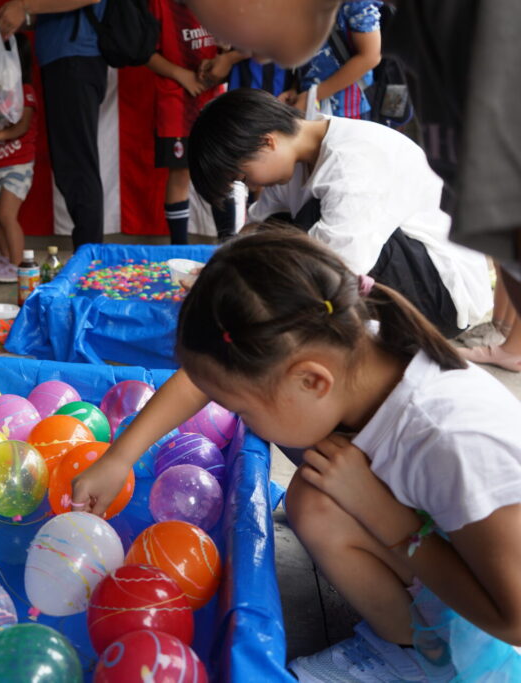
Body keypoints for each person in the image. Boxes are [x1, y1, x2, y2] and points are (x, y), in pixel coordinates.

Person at [77, 229, 521, 680]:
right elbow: (201, 381)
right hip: (449, 547)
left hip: (502, 635)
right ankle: (412, 645)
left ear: (311, 382)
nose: (237, 416)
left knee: (321, 490)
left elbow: (515, 619)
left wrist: (388, 520)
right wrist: (119, 458)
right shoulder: (339, 342)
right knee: (315, 493)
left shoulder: (450, 439)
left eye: (241, 408)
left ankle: (438, 665)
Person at [188, 88, 491, 339]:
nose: (252, 184)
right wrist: (220, 269)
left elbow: (340, 261)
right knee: (275, 229)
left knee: (306, 237)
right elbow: (256, 226)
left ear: (267, 142)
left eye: (243, 176)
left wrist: (241, 296)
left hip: (442, 298)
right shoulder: (296, 157)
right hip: (391, 270)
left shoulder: (352, 161)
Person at [0, 0, 108, 250]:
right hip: (64, 60)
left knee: (78, 167)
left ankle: (89, 258)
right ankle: (87, 254)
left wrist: (24, 6)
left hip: (76, 60)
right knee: (70, 166)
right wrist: (21, 17)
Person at [145, 0, 233, 245]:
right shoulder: (160, 5)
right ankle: (178, 249)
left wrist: (222, 57)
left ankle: (228, 244)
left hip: (212, 97)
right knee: (180, 172)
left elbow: (232, 50)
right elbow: (145, 54)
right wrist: (181, 74)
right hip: (175, 100)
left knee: (220, 169)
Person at [0, 33, 39, 282]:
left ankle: (18, 264)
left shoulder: (25, 91)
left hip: (18, 164)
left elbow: (21, 127)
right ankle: (5, 259)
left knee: (6, 215)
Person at [279, 0, 382, 119]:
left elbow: (370, 57)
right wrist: (295, 88)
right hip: (307, 103)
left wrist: (313, 96)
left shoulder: (356, 3)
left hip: (348, 109)